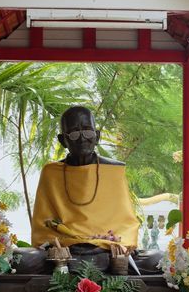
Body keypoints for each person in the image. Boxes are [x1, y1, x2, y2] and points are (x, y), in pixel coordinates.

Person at [31, 106, 139, 251]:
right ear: (63, 140)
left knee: (153, 258)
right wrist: (73, 242)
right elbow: (43, 228)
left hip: (106, 247)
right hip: (67, 247)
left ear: (97, 136)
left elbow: (127, 225)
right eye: (74, 133)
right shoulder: (51, 173)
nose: (82, 138)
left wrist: (105, 243)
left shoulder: (114, 170)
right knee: (26, 259)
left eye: (88, 131)